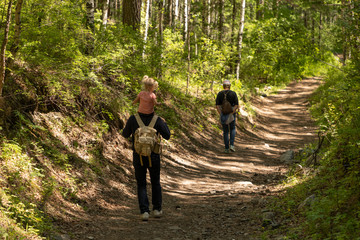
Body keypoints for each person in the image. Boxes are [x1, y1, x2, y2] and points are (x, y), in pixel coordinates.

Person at [122, 111, 171, 221]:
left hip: (138, 156)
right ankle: (157, 209)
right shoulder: (158, 120)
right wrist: (165, 123)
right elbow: (167, 136)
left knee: (141, 184)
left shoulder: (133, 119)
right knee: (155, 182)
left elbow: (125, 134)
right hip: (154, 156)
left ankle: (144, 211)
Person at [215, 80, 239, 153]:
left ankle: (226, 148)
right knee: (232, 128)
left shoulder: (220, 93)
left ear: (223, 86)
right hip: (231, 112)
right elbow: (236, 105)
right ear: (230, 86)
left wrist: (221, 113)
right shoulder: (233, 93)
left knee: (225, 131)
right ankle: (231, 145)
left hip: (223, 112)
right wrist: (232, 112)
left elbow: (217, 105)